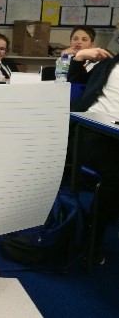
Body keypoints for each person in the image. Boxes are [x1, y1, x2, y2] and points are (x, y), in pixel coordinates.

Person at [67, 46, 118, 264]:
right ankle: (93, 233)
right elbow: (73, 85)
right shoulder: (107, 63)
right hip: (92, 129)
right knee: (116, 177)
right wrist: (79, 58)